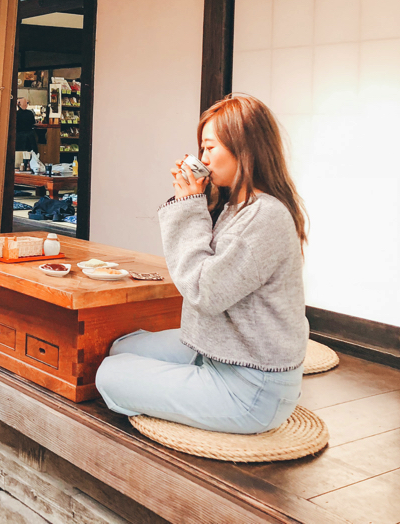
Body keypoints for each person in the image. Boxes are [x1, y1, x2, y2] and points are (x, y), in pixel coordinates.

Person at [96, 94, 309, 434]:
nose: (203, 158)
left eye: (210, 148)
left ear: (244, 149)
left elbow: (204, 291)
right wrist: (198, 199)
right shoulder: (238, 206)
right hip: (217, 352)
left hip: (251, 388)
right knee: (122, 347)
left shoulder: (266, 216)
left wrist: (189, 204)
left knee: (108, 374)